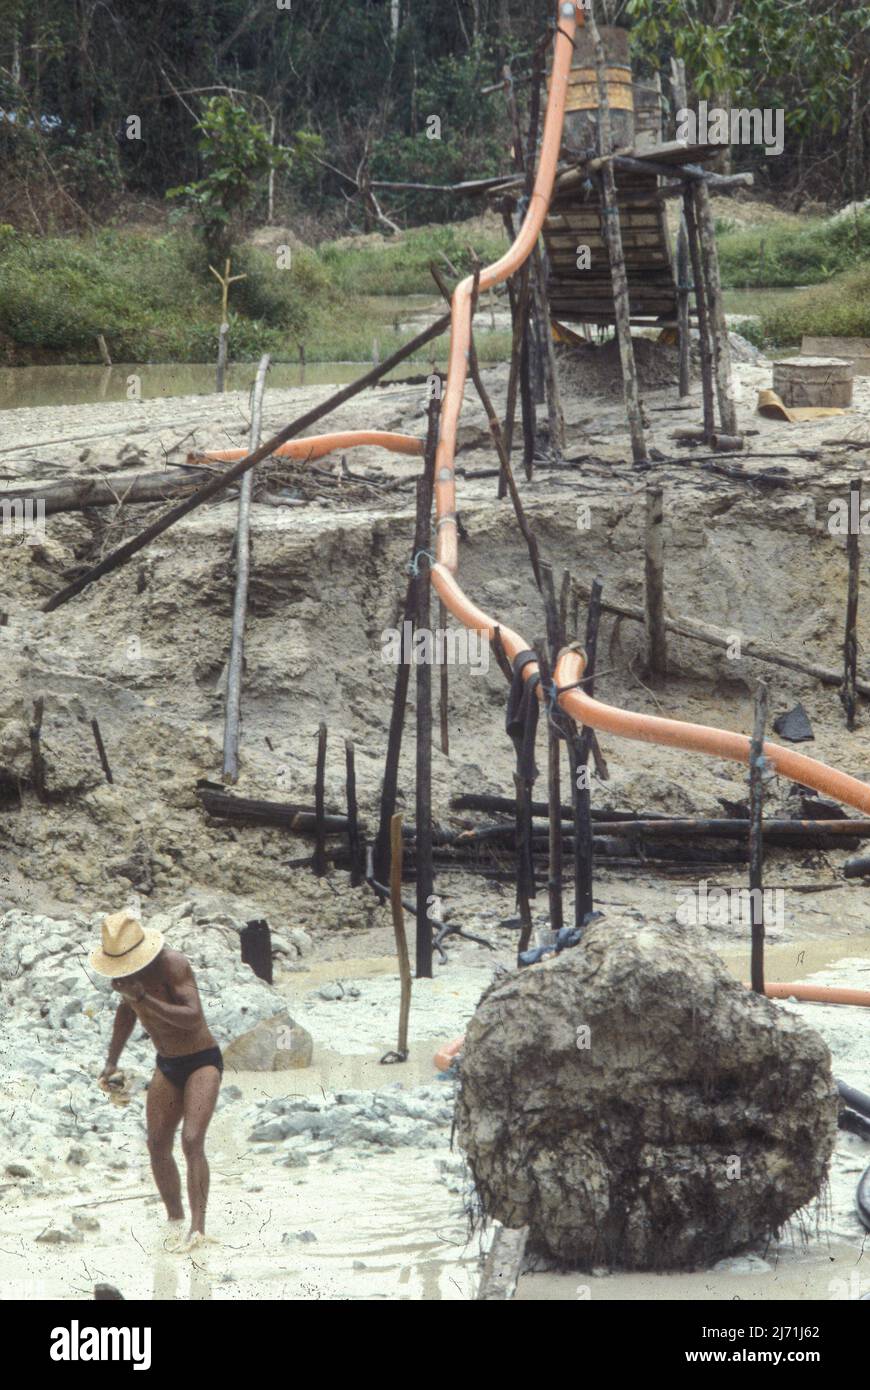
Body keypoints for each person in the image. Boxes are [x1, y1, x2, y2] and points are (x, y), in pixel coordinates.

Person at [91, 910, 222, 1252]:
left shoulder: (172, 964)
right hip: (167, 1064)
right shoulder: (125, 979)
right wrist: (111, 1061)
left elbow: (193, 1018)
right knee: (156, 1144)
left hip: (201, 1061)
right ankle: (174, 1219)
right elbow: (126, 1013)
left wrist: (144, 998)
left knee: (192, 1140)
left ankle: (198, 1229)